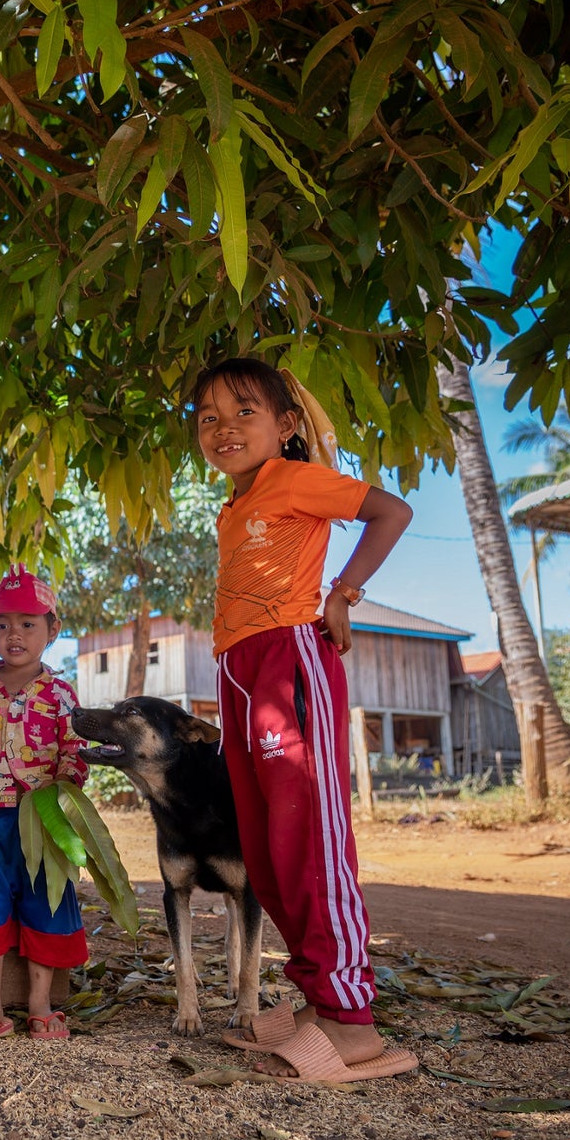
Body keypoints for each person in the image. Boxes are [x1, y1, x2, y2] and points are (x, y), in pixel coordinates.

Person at [192, 357, 418, 1082]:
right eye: (208, 417)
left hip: (290, 658)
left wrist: (345, 592)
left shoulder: (295, 478)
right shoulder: (234, 504)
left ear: (286, 425)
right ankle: (319, 998)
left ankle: (352, 1022)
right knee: (264, 846)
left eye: (244, 411)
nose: (223, 428)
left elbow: (393, 511)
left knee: (310, 838)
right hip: (238, 669)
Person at [0, 565, 86, 1044]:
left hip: (43, 821)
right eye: (2, 624)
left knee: (45, 903)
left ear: (53, 630)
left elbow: (74, 753)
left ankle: (40, 1006)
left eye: (28, 624)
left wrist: (67, 787)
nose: (14, 635)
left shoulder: (62, 695)